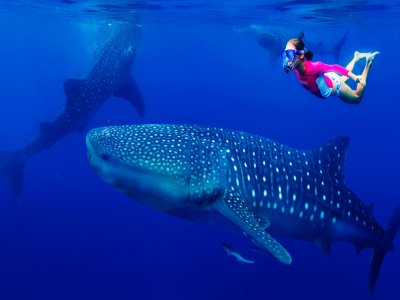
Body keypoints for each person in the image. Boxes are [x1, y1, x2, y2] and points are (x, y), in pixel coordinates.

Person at [281, 33, 379, 104]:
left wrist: (355, 78)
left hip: (335, 86)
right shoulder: (294, 65)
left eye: (290, 54)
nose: (287, 59)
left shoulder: (314, 67)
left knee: (356, 98)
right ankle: (356, 57)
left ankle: (368, 62)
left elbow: (335, 67)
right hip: (325, 79)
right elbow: (292, 63)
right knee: (341, 79)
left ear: (301, 55)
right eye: (285, 54)